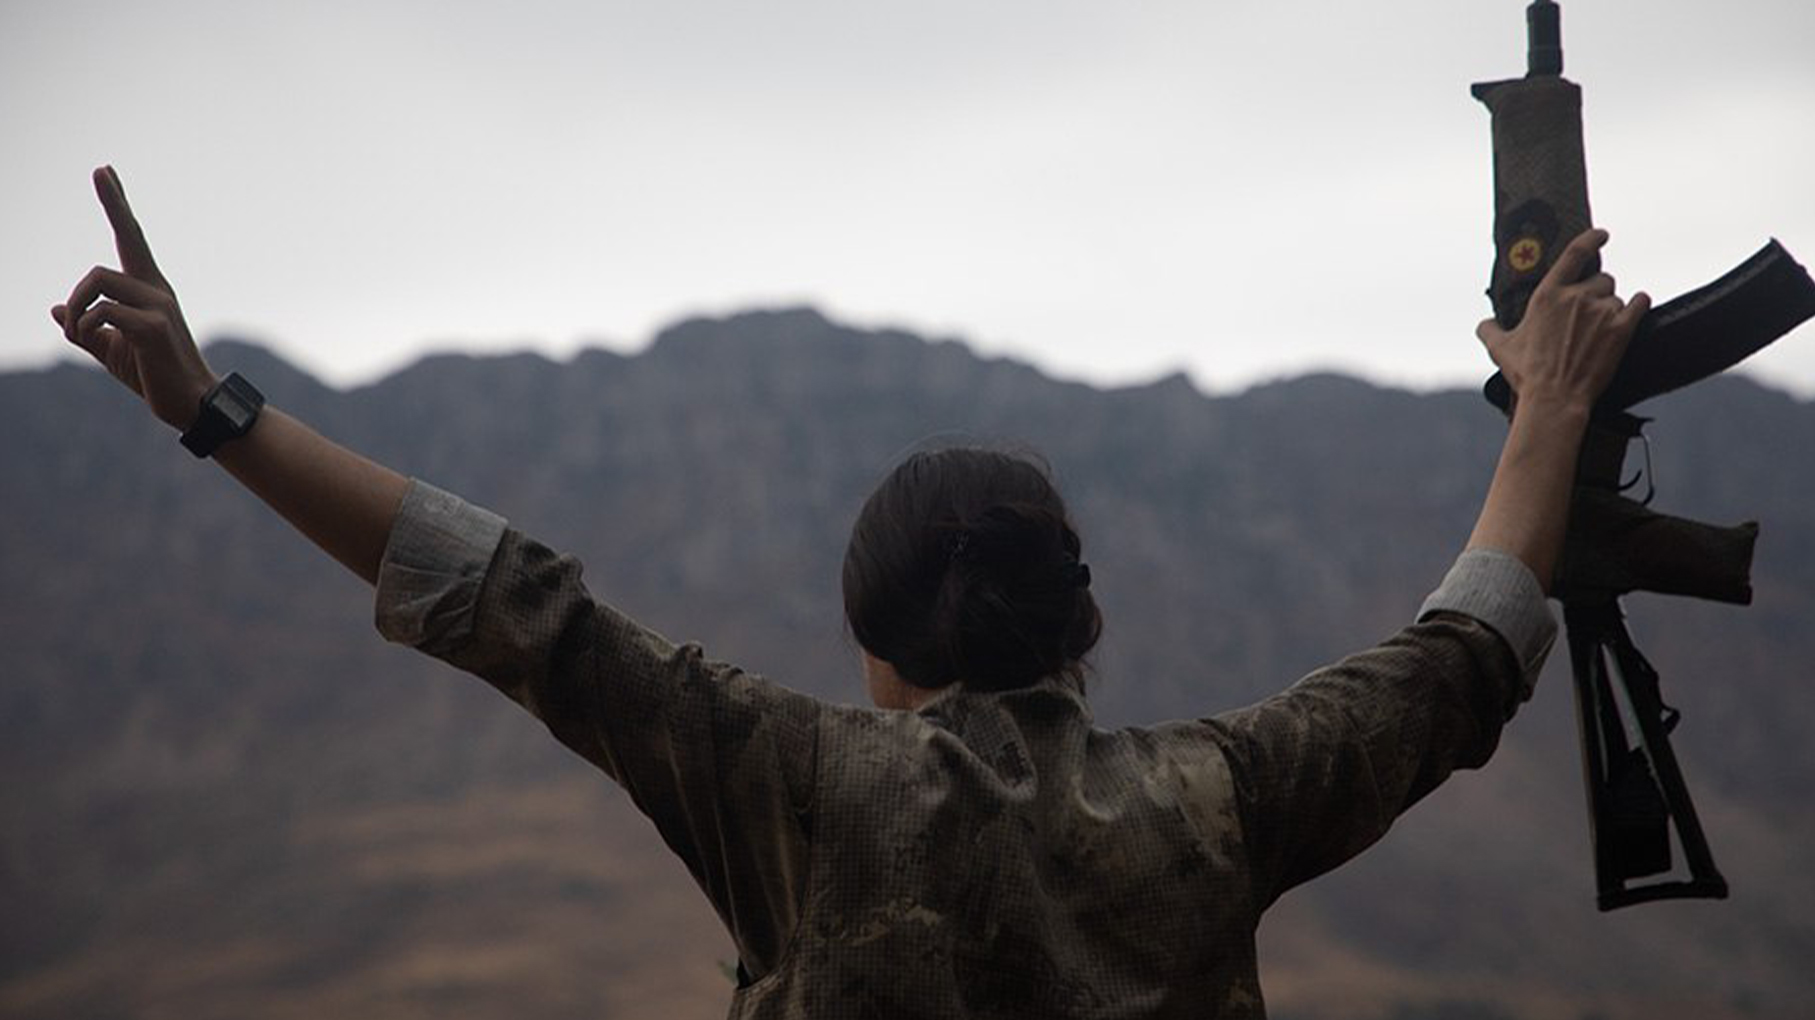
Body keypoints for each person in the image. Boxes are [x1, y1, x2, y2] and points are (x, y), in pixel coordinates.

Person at [53, 165, 1648, 1018]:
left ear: (876, 645)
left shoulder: (798, 787)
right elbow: (1466, 652)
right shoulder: (1223, 798)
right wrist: (1554, 406)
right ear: (1080, 624)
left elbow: (505, 601)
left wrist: (217, 412)